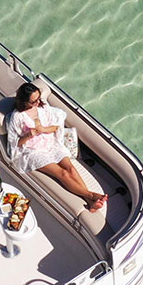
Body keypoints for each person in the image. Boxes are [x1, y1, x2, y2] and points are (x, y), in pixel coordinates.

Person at [6, 82, 107, 212]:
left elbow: (55, 127)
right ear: (24, 101)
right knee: (63, 173)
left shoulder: (43, 107)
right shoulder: (17, 117)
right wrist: (29, 135)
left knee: (71, 169)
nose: (37, 103)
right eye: (33, 101)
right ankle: (91, 195)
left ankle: (89, 201)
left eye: (38, 99)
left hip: (51, 143)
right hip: (33, 151)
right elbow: (15, 144)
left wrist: (43, 129)